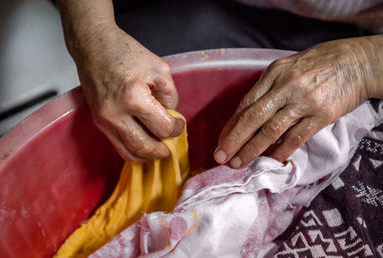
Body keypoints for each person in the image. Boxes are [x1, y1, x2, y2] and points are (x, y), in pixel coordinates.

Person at [56, 0, 383, 168]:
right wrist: (92, 36)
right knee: (135, 111)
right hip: (206, 6)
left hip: (361, 35)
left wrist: (363, 65)